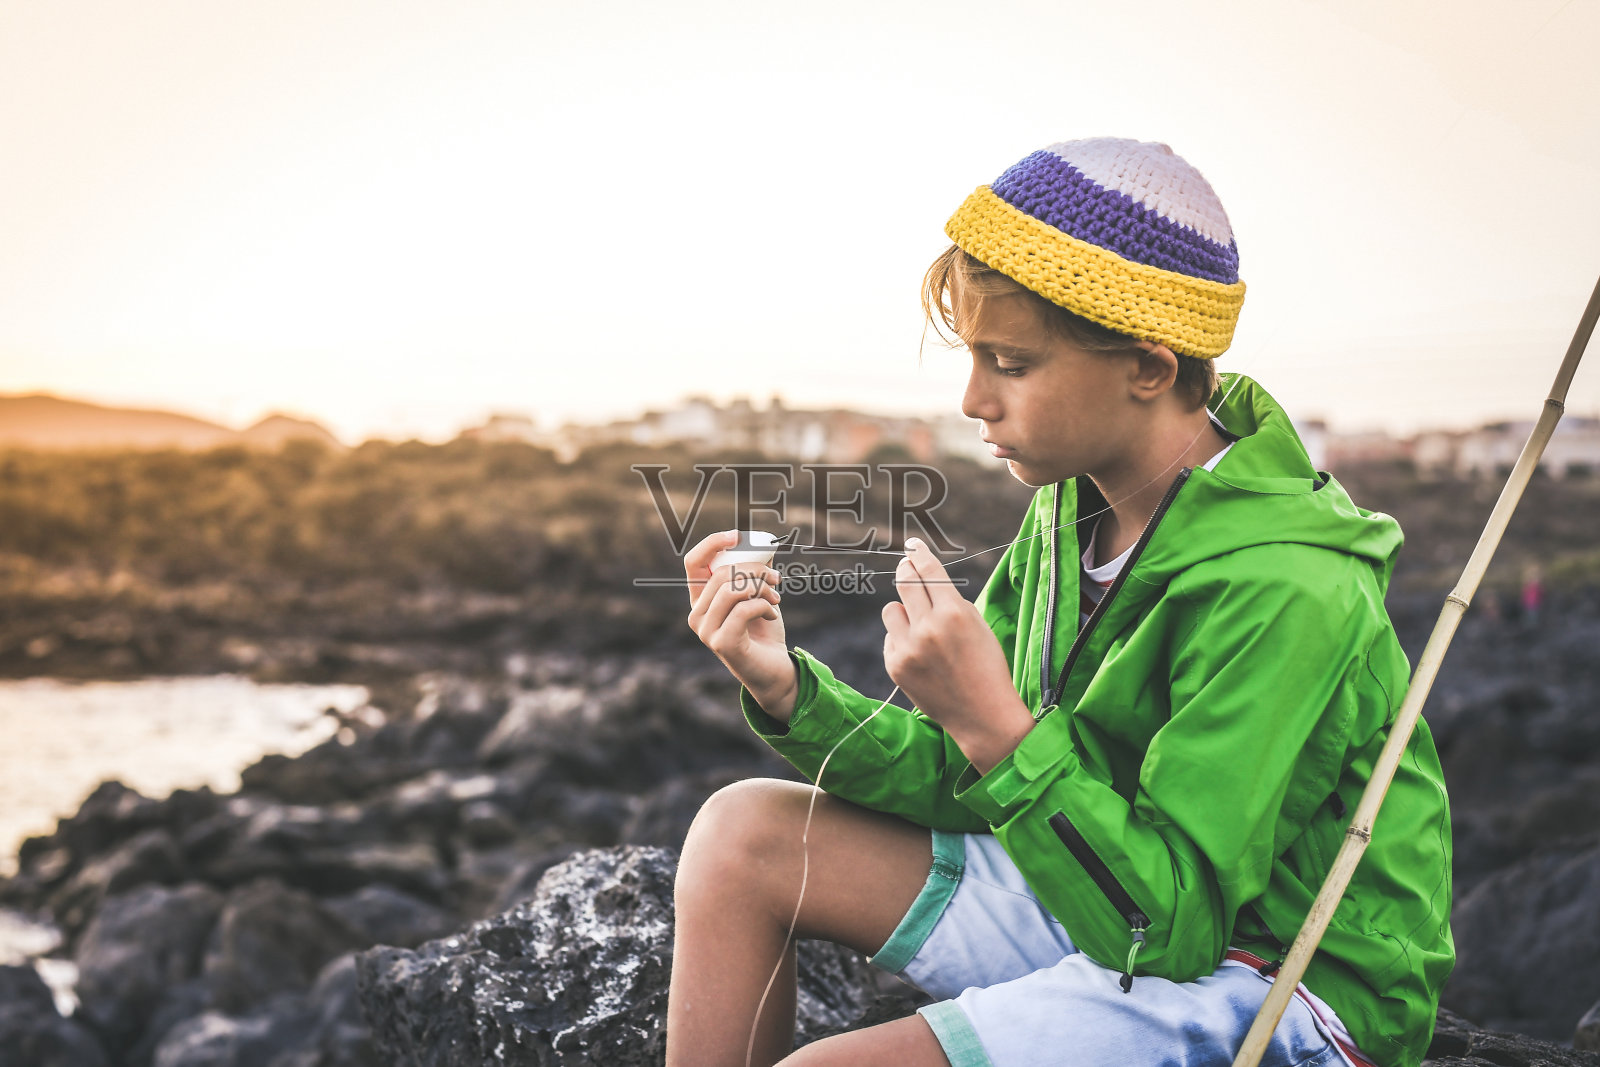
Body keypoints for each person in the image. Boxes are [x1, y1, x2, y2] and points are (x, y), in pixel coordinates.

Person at [669, 138, 1454, 1067]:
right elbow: (975, 781)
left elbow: (1171, 928)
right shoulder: (1066, 512)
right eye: (971, 356)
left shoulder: (1289, 584)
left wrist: (997, 725)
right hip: (1097, 884)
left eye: (1010, 361)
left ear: (1151, 367)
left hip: (1277, 976)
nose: (972, 399)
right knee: (741, 833)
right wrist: (789, 692)